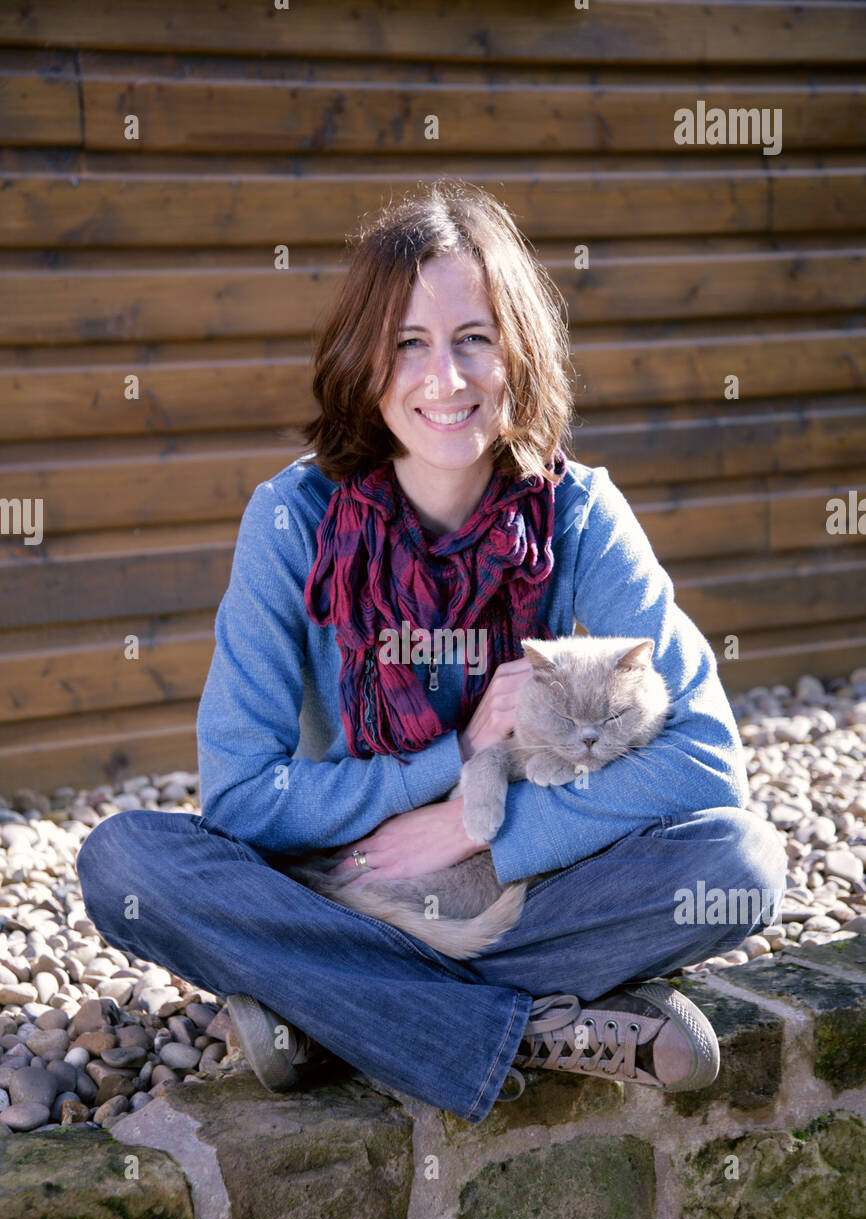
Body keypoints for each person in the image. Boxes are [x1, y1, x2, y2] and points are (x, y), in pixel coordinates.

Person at [76, 181, 788, 1123]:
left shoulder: (577, 513)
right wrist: (441, 772)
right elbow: (243, 797)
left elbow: (707, 761)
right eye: (408, 343)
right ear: (366, 363)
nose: (444, 379)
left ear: (517, 350)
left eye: (474, 339)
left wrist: (481, 828)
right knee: (126, 861)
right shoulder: (293, 519)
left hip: (521, 885)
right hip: (352, 881)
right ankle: (527, 1026)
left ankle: (331, 1009)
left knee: (738, 867)